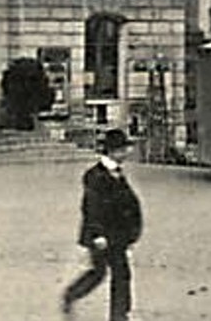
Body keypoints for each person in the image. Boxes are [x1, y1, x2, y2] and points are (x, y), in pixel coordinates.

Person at [61, 128, 143, 321]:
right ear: (113, 151)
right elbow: (91, 207)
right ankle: (71, 295)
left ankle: (119, 315)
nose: (126, 153)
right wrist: (98, 235)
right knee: (100, 273)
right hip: (102, 236)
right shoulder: (95, 176)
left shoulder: (117, 173)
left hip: (116, 235)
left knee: (120, 274)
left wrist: (131, 234)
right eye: (123, 149)